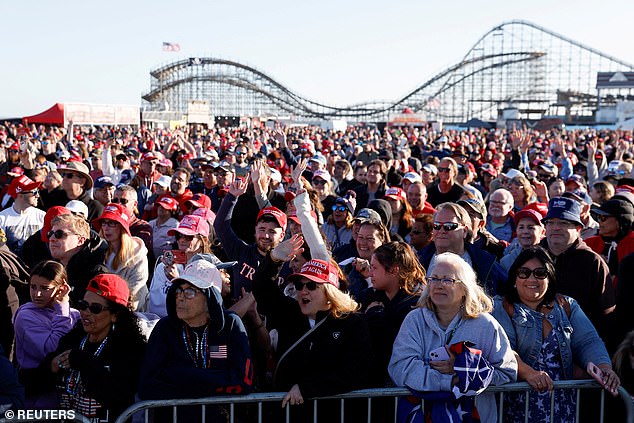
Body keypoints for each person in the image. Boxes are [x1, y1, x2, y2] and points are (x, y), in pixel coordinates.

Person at [491, 246, 619, 422]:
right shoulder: (501, 307)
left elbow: (588, 341)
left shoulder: (567, 306)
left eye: (540, 273)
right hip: (517, 406)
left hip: (562, 405)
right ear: (514, 278)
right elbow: (504, 351)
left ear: (549, 278)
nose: (531, 278)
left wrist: (604, 367)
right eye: (524, 272)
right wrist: (529, 373)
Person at [251, 238, 372, 421]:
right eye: (299, 285)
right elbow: (262, 289)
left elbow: (356, 371)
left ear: (329, 290)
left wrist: (307, 388)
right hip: (288, 414)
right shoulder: (290, 314)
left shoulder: (352, 324)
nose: (303, 291)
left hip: (333, 414)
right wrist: (274, 259)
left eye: (311, 285)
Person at [388, 252, 517, 423]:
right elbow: (400, 368)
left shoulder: (486, 325)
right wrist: (450, 382)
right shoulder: (414, 320)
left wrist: (464, 368)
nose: (438, 285)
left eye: (447, 280)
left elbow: (506, 372)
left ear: (465, 289)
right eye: (434, 279)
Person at [138, 260, 253, 422]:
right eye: (178, 290)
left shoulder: (231, 325)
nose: (180, 297)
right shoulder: (164, 328)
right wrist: (214, 380)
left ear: (211, 298)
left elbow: (243, 383)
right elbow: (147, 386)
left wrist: (178, 375)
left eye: (190, 292)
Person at [43, 274, 146, 421]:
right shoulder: (73, 339)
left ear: (115, 315)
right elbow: (36, 381)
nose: (85, 312)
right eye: (83, 305)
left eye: (95, 308)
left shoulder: (129, 349)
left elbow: (117, 396)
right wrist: (51, 366)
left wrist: (84, 363)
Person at [540, 197, 614, 339]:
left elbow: (606, 314)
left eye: (563, 222)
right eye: (550, 222)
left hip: (581, 342)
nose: (555, 227)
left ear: (579, 228)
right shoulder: (531, 257)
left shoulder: (593, 262)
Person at [12, 261, 79, 407]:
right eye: (33, 287)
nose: (37, 294)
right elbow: (53, 349)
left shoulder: (73, 314)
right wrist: (62, 311)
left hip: (69, 396)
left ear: (61, 289)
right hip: (38, 395)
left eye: (45, 288)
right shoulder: (26, 315)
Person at [363, 241, 424, 386]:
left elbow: (397, 340)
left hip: (402, 382)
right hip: (374, 379)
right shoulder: (368, 296)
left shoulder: (417, 304)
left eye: (374, 268)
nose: (370, 273)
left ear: (394, 270)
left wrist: (375, 316)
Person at [214, 177, 287, 296]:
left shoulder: (288, 264)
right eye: (262, 229)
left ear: (282, 235)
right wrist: (231, 196)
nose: (265, 235)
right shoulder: (242, 252)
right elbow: (221, 226)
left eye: (272, 231)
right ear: (255, 230)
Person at [418, 202, 507, 296]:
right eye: (437, 226)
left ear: (464, 231)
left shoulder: (485, 262)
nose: (441, 231)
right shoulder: (418, 261)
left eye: (449, 226)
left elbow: (509, 291)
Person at [148, 214, 211, 317]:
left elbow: (200, 309)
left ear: (203, 240)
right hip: (160, 324)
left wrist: (177, 280)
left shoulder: (209, 269)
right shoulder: (162, 267)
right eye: (178, 235)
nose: (181, 240)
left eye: (188, 237)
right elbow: (154, 307)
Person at [93, 204, 149, 311]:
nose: (106, 228)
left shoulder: (137, 253)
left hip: (130, 308)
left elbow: (135, 287)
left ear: (122, 227)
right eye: (104, 223)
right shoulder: (98, 250)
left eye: (112, 223)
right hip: (100, 308)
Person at [48, 213, 108, 304]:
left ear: (80, 240)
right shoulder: (50, 268)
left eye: (59, 234)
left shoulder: (96, 274)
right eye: (50, 234)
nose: (52, 239)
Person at [0, 175, 45, 255]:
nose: (37, 196)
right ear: (20, 196)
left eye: (37, 191)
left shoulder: (42, 216)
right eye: (34, 192)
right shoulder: (2, 218)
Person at [500, 204, 547, 270]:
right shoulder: (506, 261)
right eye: (521, 227)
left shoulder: (549, 256)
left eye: (530, 227)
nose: (525, 231)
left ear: (542, 232)